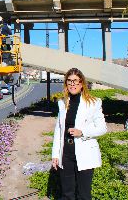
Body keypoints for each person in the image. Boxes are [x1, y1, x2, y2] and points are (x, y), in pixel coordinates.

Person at [51, 68, 107, 200]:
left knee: (84, 195)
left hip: (85, 153)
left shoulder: (93, 103)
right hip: (66, 154)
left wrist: (82, 132)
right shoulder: (62, 103)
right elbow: (58, 130)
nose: (72, 84)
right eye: (69, 81)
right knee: (67, 194)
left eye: (75, 81)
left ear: (82, 83)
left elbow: (102, 128)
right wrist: (55, 154)